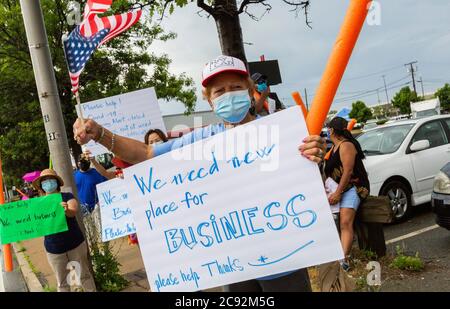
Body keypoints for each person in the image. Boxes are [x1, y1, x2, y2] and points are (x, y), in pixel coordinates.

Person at [73, 55, 327, 292]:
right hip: (233, 266)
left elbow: (309, 168)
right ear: (210, 100)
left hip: (286, 261)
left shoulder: (281, 132)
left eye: (235, 87)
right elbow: (145, 153)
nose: (228, 95)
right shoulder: (202, 140)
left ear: (249, 91)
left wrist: (313, 152)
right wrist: (101, 134)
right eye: (219, 91)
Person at [32, 169, 96, 292]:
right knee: (62, 283)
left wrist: (66, 210)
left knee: (84, 276)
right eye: (44, 181)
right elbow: (35, 223)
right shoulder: (38, 204)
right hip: (54, 249)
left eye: (50, 179)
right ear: (41, 186)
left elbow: (73, 211)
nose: (48, 183)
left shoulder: (67, 197)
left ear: (57, 181)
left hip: (75, 244)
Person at [324, 117, 370, 271]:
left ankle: (344, 259)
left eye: (328, 129)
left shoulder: (346, 145)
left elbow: (348, 171)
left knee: (345, 222)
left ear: (331, 130)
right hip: (339, 189)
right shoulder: (333, 148)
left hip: (355, 187)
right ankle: (336, 255)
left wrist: (338, 192)